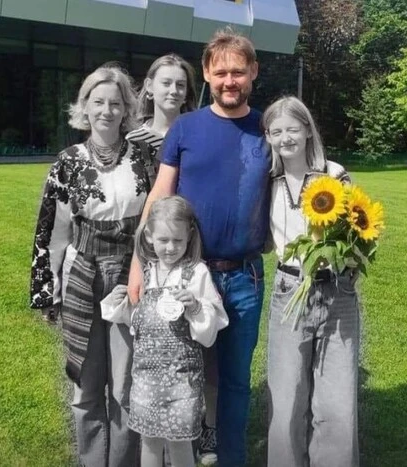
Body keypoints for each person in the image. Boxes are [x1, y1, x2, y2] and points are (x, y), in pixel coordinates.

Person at [128, 28, 270, 467]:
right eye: (222, 71)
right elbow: (158, 198)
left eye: (239, 72)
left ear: (253, 74)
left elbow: (302, 174)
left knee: (233, 381)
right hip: (184, 274)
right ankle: (176, 454)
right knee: (176, 369)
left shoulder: (265, 129)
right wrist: (138, 265)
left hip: (244, 276)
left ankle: (230, 458)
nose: (231, 80)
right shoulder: (187, 128)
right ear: (207, 74)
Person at [29, 63, 148, 467]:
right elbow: (52, 230)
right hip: (82, 275)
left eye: (115, 103)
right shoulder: (68, 162)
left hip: (131, 274)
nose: (106, 110)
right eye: (98, 102)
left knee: (126, 382)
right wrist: (48, 290)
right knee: (86, 383)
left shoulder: (145, 158)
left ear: (126, 108)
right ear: (84, 107)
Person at [262, 96, 358, 467]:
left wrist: (344, 260)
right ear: (268, 137)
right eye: (276, 131)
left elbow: (357, 232)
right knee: (286, 397)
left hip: (337, 292)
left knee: (336, 399)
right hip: (290, 289)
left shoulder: (335, 175)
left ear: (307, 130)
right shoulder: (267, 180)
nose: (285, 137)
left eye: (292, 129)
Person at [101, 195, 229, 467]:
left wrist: (195, 308)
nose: (170, 248)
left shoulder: (197, 273)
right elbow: (137, 322)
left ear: (189, 237)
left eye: (178, 241)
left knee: (180, 443)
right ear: (149, 236)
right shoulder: (146, 275)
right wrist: (117, 304)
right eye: (163, 240)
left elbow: (209, 333)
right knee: (149, 442)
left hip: (182, 382)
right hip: (146, 381)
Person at [126, 53, 197, 165]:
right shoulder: (133, 139)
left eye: (180, 85)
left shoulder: (198, 136)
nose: (174, 91)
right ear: (149, 86)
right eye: (166, 83)